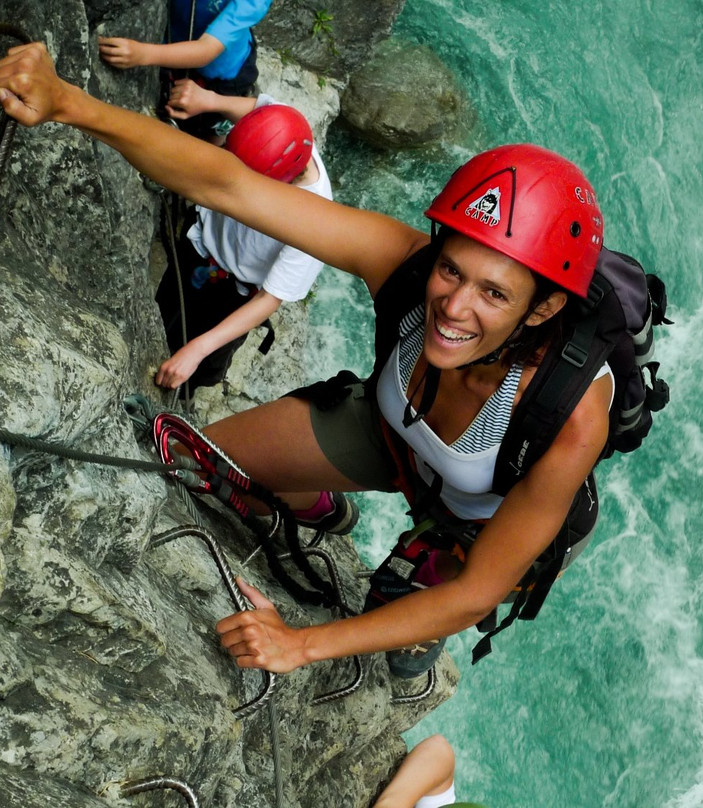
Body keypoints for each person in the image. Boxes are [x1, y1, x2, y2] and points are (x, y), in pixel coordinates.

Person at [0, 42, 612, 680]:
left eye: (493, 294)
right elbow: (229, 185)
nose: (453, 306)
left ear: (539, 312)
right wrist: (70, 102)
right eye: (452, 269)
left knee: (399, 644)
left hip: (480, 512)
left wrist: (299, 644)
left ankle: (414, 560)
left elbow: (477, 592)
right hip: (394, 434)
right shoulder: (404, 268)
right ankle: (320, 506)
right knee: (194, 457)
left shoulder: (565, 419)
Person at [154, 86, 332, 391]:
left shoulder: (313, 222)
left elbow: (269, 299)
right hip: (199, 246)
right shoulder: (281, 127)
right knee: (162, 308)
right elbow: (259, 107)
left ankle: (186, 391)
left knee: (202, 366)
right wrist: (208, 99)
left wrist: (197, 349)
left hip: (232, 294)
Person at [99, 0, 272, 140]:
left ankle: (213, 152)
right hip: (175, 47)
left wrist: (142, 54)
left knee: (211, 129)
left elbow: (207, 49)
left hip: (225, 76)